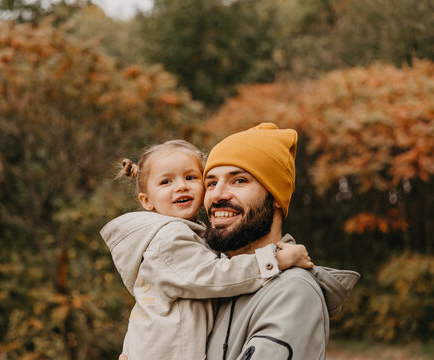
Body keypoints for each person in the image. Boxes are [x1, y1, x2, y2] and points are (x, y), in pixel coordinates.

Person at [100, 139, 314, 360]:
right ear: (147, 201)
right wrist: (274, 260)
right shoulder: (169, 239)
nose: (181, 186)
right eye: (166, 182)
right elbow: (217, 275)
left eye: (191, 177)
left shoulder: (293, 290)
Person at [201, 123, 360, 359]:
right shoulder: (209, 284)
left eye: (239, 181)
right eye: (211, 183)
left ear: (276, 197)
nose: (217, 194)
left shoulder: (293, 291)